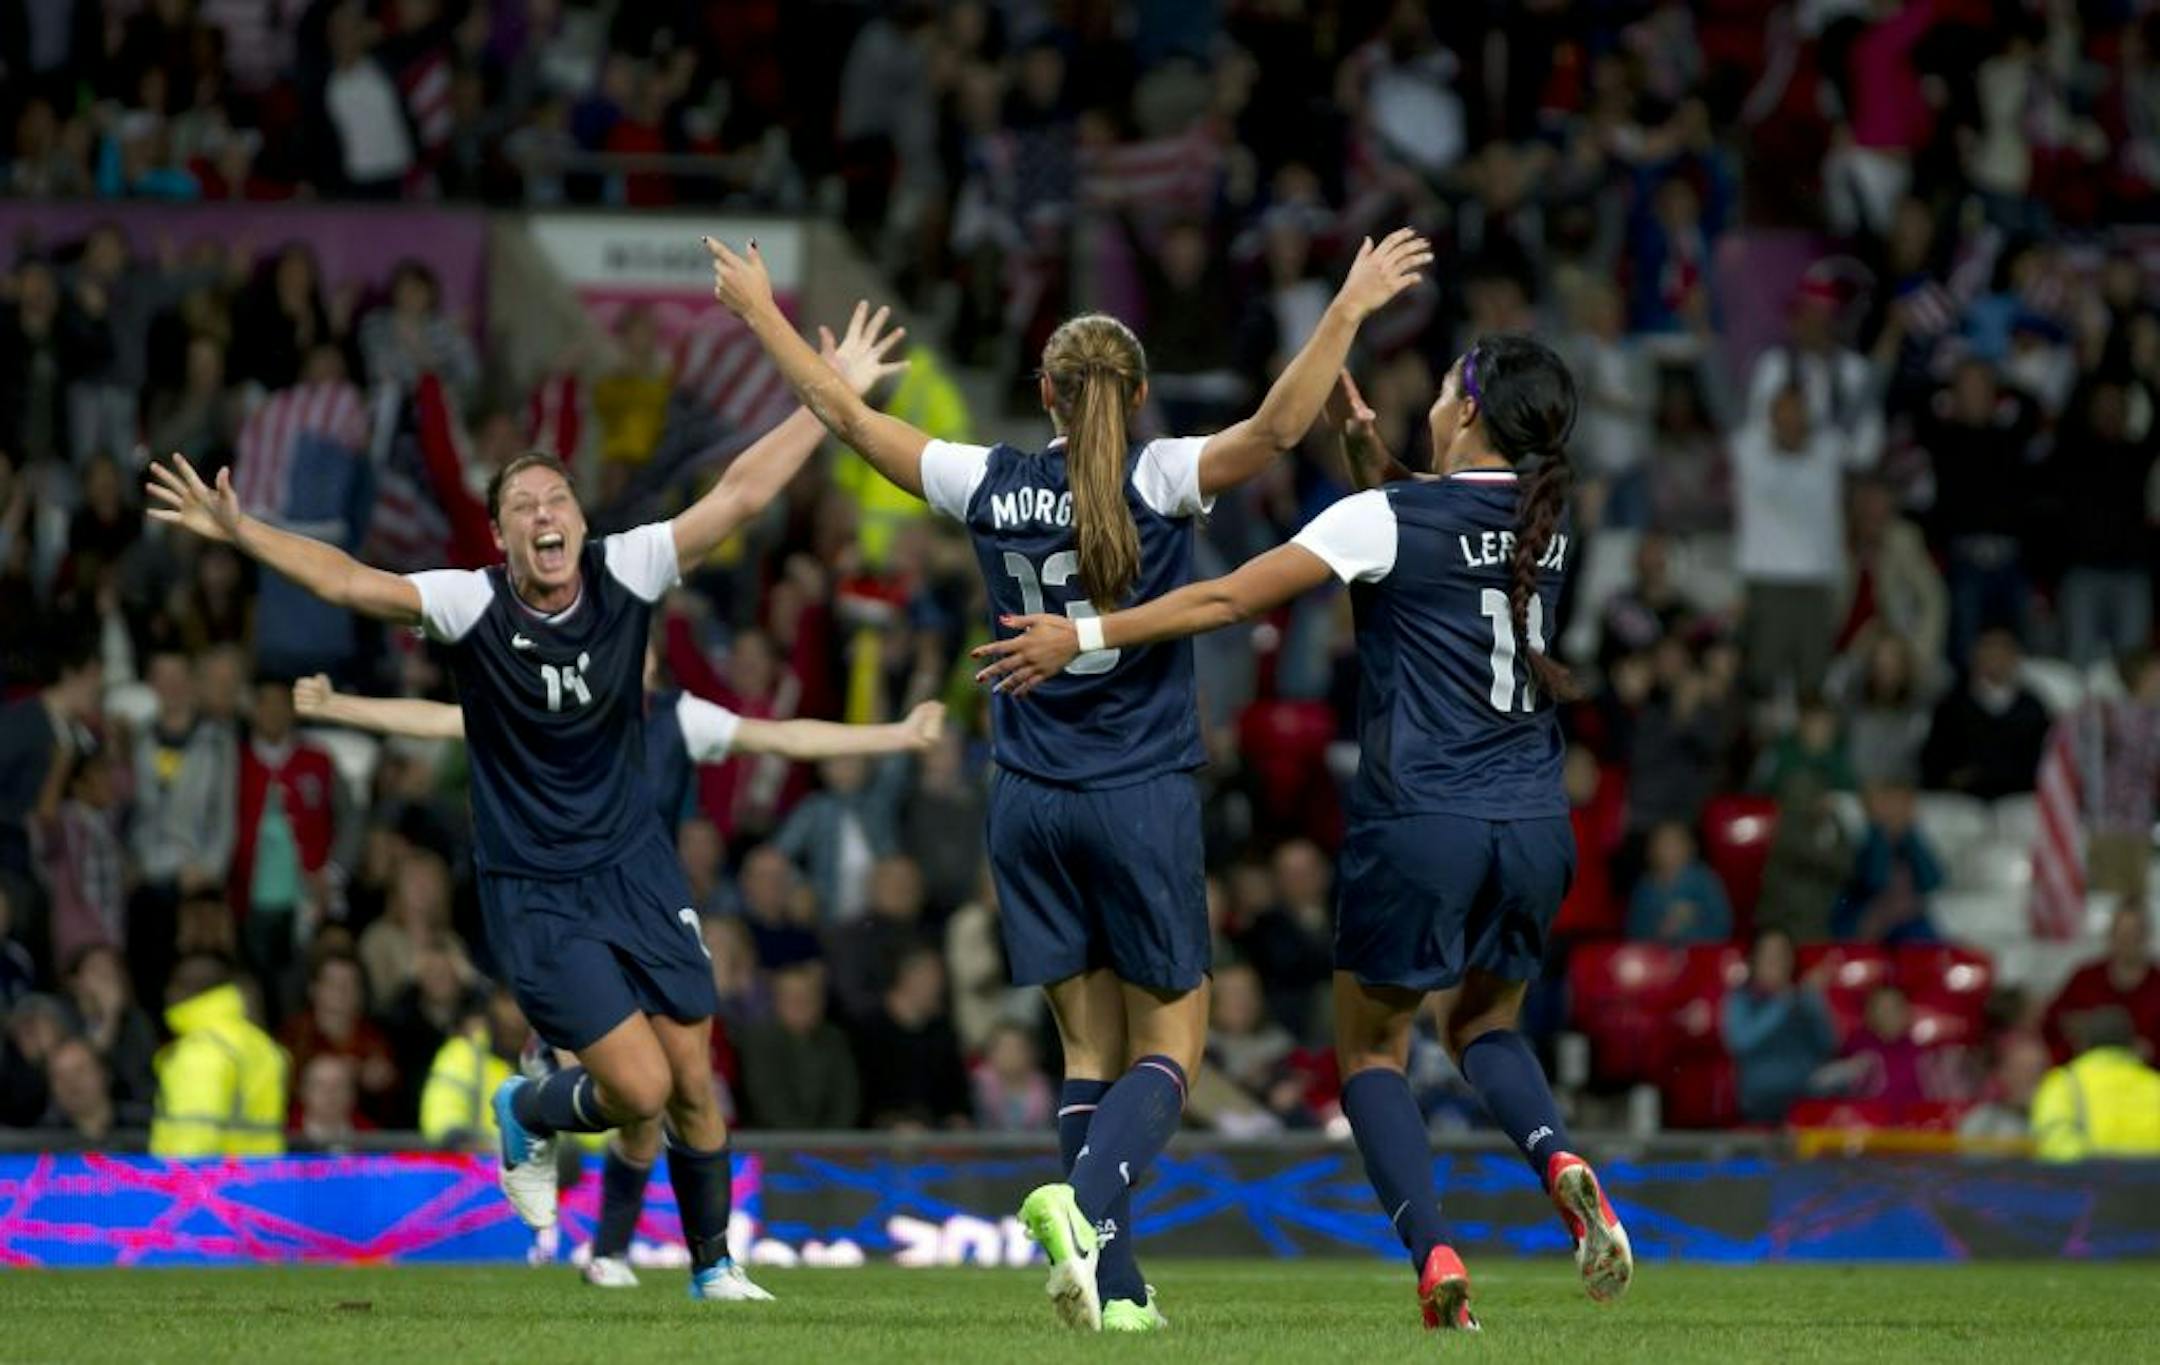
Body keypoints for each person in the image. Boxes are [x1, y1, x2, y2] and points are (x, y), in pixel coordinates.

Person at [708, 224, 1433, 1332]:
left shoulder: (986, 481)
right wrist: (1347, 304)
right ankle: (1084, 1206)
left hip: (1026, 801)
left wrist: (760, 311)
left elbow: (849, 419)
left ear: (1044, 392)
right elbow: (1284, 425)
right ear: (1134, 393)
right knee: (1172, 1048)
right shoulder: (1161, 473)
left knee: (1087, 1047)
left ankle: (1119, 1288)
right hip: (1134, 797)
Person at [144, 296, 909, 1303]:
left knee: (691, 1077)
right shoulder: (472, 603)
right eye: (523, 507)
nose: (545, 515)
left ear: (580, 517)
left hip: (634, 862)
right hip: (537, 889)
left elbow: (740, 495)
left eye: (557, 499)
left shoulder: (625, 567)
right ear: (501, 537)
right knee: (634, 1090)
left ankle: (715, 1268)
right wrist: (245, 534)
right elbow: (349, 582)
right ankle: (530, 1109)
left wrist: (830, 400)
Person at [973, 337, 1630, 1329]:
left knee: (1371, 1056)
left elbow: (1232, 597)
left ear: (1467, 410)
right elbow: (1451, 533)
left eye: (1449, 382)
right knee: (1485, 1024)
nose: (1434, 394)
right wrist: (1373, 458)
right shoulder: (1550, 518)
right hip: (1536, 821)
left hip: (1423, 821)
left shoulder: (1383, 516)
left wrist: (1088, 634)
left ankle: (1434, 1249)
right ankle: (1559, 1155)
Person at [148, 953, 287, 1157]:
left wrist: (174, 1186)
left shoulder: (201, 1052)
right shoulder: (259, 1043)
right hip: (261, 1182)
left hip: (208, 1185)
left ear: (185, 989)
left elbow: (192, 1140)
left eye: (173, 984)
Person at [1721, 930, 1838, 1124]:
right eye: (1768, 954)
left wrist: (1814, 1001)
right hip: (1764, 1097)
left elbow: (1828, 1046)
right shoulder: (1741, 999)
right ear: (1754, 960)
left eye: (1782, 954)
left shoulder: (1803, 998)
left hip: (1809, 1094)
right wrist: (1780, 1003)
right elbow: (1739, 1042)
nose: (1776, 961)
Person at [1919, 628, 2050, 800]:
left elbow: (2043, 762)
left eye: (2003, 650)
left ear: (2015, 657)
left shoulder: (2032, 708)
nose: (1995, 657)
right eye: (1988, 649)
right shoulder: (1951, 705)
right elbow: (1934, 759)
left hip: (2020, 800)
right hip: (1962, 800)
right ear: (1975, 655)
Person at [2030, 1007, 2160, 1162]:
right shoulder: (2155, 1083)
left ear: (2083, 1043)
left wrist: (2090, 1165)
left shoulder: (2066, 1083)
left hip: (2090, 1182)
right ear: (2133, 1045)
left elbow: (2052, 1138)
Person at [2042, 907, 2160, 1063]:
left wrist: (2151, 1050)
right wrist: (2072, 1025)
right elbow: (2052, 1020)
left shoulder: (2156, 984)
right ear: (2110, 936)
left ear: (2145, 937)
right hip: (2086, 1073)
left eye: (2133, 934)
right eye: (2120, 934)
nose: (2126, 941)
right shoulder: (2085, 979)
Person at [1627, 821, 1734, 945]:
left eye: (1674, 843)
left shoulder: (1705, 881)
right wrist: (1657, 931)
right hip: (1656, 956)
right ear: (1650, 851)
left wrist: (1688, 930)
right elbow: (1633, 929)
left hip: (1698, 954)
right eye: (1660, 843)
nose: (1667, 850)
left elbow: (1722, 925)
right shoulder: (1645, 886)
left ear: (1690, 848)